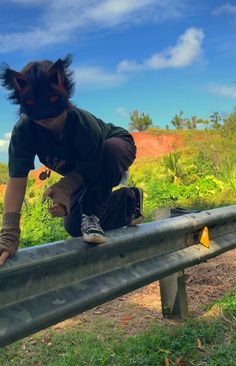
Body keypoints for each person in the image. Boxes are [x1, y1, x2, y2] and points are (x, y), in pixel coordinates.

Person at [0, 54, 144, 266]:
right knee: (74, 225)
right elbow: (16, 182)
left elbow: (94, 168)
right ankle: (129, 200)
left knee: (108, 155)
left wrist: (66, 186)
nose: (48, 122)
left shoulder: (83, 125)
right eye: (39, 118)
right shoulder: (25, 132)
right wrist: (8, 238)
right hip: (83, 171)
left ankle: (93, 213)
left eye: (54, 114)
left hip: (113, 147)